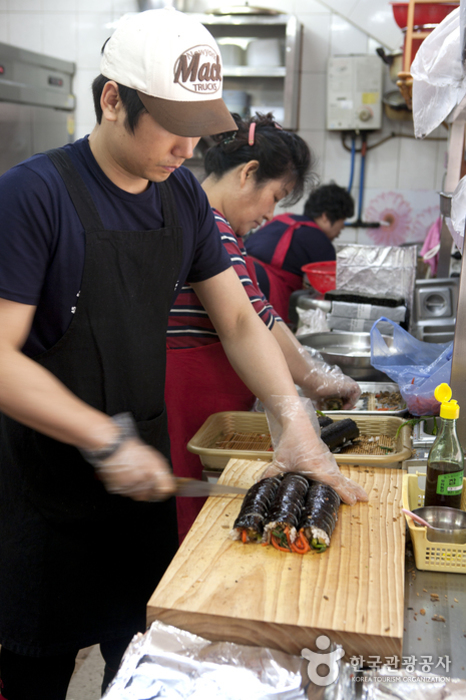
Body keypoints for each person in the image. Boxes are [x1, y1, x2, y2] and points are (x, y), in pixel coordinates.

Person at [0, 10, 366, 699]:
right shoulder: (33, 195)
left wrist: (293, 420)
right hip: (43, 494)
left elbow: (237, 317)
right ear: (113, 98)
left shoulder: (185, 204)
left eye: (198, 125)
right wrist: (103, 439)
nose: (189, 145)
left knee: (141, 666)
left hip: (142, 492)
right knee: (34, 675)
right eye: (173, 123)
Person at [166, 114, 362, 542]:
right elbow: (251, 321)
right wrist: (312, 380)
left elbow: (258, 317)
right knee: (195, 529)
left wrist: (313, 381)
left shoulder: (214, 227)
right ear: (248, 173)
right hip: (189, 400)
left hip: (210, 400)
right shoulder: (211, 226)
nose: (271, 213)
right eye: (276, 196)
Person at [245, 182, 355, 321]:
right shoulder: (319, 238)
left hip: (241, 274)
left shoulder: (282, 219)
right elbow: (333, 288)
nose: (341, 229)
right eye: (342, 221)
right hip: (265, 289)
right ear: (326, 216)